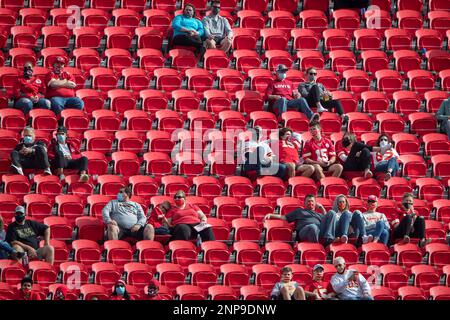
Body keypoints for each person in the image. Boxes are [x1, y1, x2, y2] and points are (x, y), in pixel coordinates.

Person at [264, 195, 333, 243]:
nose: (310, 203)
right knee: (312, 226)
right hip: (304, 231)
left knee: (331, 213)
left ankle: (328, 239)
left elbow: (327, 222)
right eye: (308, 201)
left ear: (315, 203)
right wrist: (271, 215)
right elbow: (285, 217)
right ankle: (317, 246)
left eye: (312, 201)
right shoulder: (300, 211)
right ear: (304, 203)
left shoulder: (319, 215)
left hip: (318, 231)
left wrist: (322, 208)